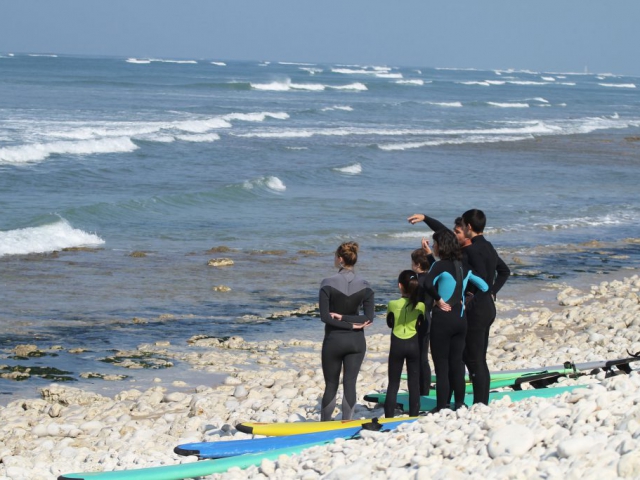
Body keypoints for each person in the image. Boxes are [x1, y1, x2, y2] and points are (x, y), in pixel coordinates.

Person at [422, 228, 488, 412]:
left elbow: (428, 283)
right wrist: (468, 297)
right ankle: (459, 402)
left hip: (443, 320)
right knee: (457, 364)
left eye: (434, 243)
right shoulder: (463, 267)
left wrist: (438, 300)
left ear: (441, 246)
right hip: (460, 320)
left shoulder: (439, 265)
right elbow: (483, 286)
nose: (433, 246)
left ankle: (442, 405)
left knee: (441, 365)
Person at [319, 241, 374, 421]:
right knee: (350, 383)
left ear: (340, 259)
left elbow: (326, 317)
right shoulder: (366, 286)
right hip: (356, 342)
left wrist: (342, 318)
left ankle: (324, 426)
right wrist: (353, 323)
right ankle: (347, 423)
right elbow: (368, 318)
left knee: (331, 385)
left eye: (335, 256)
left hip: (333, 341)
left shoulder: (327, 283)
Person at [460, 209, 510, 405]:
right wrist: (492, 291)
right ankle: (481, 401)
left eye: (463, 226)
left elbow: (478, 277)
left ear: (469, 227)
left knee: (474, 359)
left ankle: (481, 403)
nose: (462, 229)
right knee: (478, 357)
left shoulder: (471, 250)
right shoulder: (488, 246)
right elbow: (504, 271)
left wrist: (484, 290)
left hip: (477, 309)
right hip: (488, 307)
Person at [384, 270, 425, 418]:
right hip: (413, 344)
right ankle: (414, 416)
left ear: (400, 286)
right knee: (413, 383)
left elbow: (390, 323)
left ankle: (389, 417)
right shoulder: (420, 306)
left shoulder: (393, 304)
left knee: (393, 383)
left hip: (397, 345)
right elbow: (421, 323)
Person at [410, 248, 434, 396]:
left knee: (417, 357)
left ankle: (420, 389)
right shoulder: (432, 278)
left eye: (412, 262)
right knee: (424, 356)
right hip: (428, 317)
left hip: (417, 319)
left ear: (418, 264)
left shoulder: (416, 281)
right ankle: (425, 388)